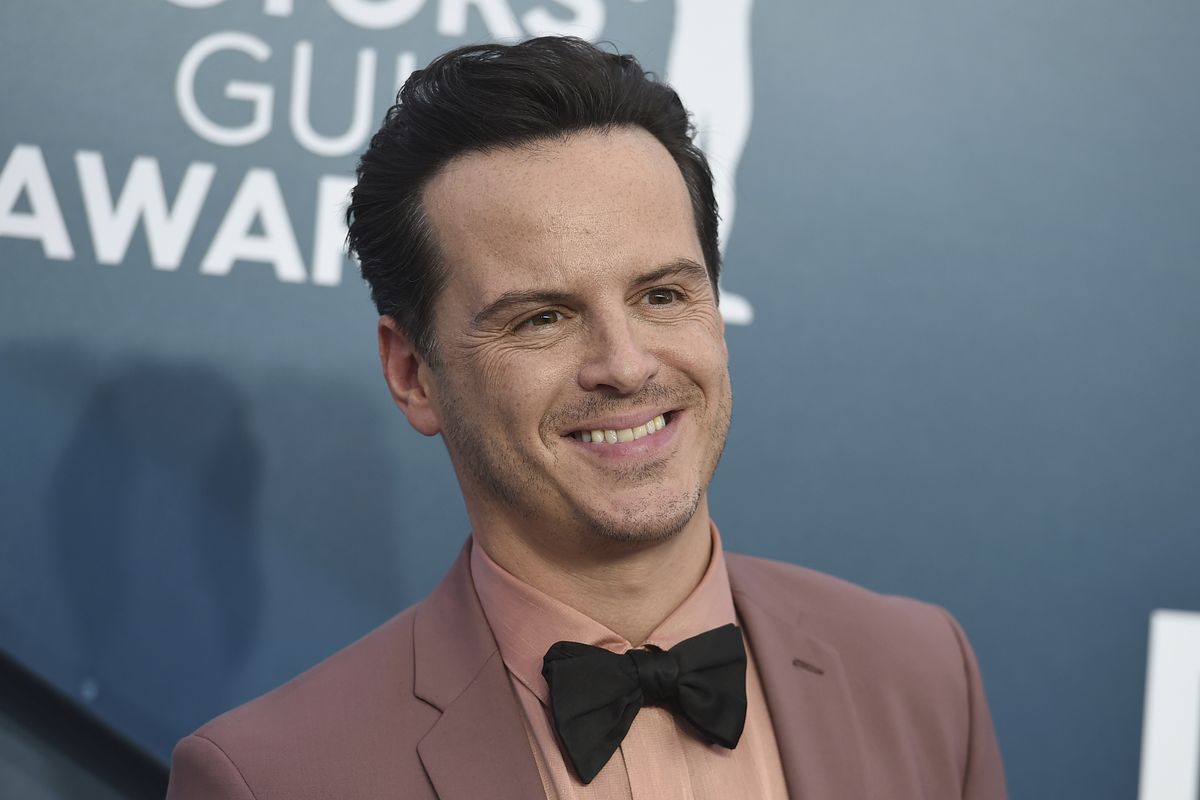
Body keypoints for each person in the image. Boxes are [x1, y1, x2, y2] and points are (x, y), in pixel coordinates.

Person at [166, 36, 1006, 799]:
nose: (627, 365)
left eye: (662, 295)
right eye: (543, 318)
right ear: (413, 373)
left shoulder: (926, 675)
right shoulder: (273, 780)